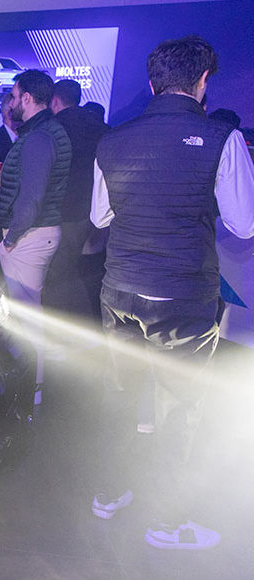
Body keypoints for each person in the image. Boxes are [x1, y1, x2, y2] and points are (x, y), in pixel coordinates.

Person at [89, 35, 254, 550]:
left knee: (119, 393)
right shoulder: (222, 138)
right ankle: (166, 523)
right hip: (182, 294)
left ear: (152, 82)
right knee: (179, 405)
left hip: (119, 290)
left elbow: (100, 217)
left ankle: (108, 493)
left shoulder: (113, 140)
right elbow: (244, 224)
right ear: (203, 81)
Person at [0, 70, 71, 402]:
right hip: (35, 232)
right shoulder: (44, 132)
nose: (11, 102)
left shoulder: (39, 137)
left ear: (26, 97)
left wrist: (12, 238)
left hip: (30, 235)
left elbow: (33, 197)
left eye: (13, 95)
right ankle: (31, 389)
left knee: (27, 319)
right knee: (27, 315)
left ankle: (31, 394)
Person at [43, 79, 110, 324]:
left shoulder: (52, 129)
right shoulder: (101, 127)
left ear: (55, 101)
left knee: (59, 275)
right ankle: (91, 323)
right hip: (97, 212)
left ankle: (62, 327)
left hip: (66, 213)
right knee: (89, 270)